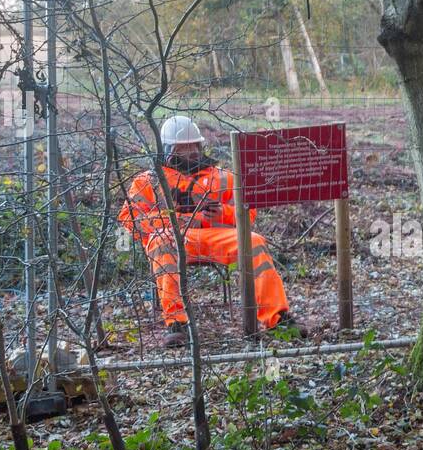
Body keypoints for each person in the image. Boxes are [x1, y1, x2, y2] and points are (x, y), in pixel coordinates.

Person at [118, 115, 301, 346]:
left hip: (217, 237)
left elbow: (248, 213)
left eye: (195, 145)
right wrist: (185, 221)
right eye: (184, 147)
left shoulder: (222, 177)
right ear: (169, 149)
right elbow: (130, 219)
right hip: (173, 239)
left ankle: (278, 318)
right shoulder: (149, 181)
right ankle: (176, 323)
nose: (192, 151)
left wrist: (223, 213)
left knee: (253, 241)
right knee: (161, 241)